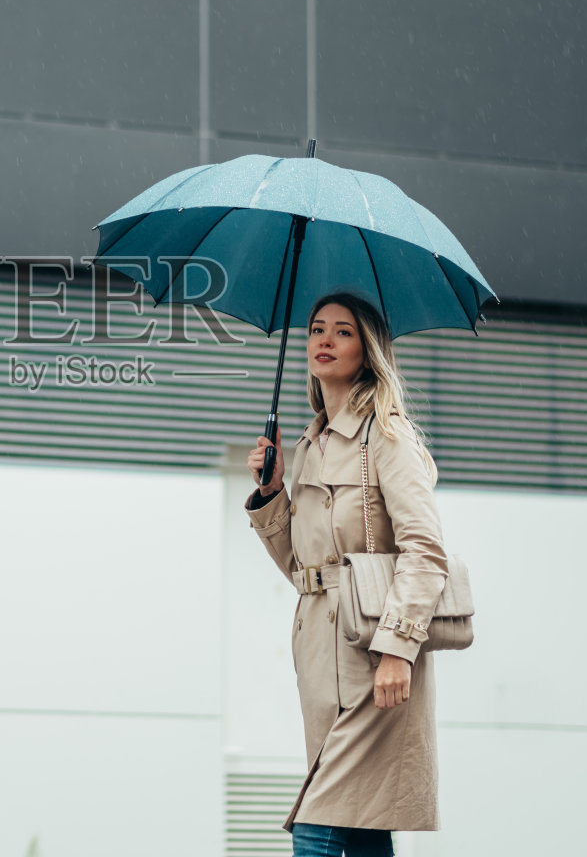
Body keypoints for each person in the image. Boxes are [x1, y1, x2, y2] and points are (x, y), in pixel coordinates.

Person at [244, 290, 450, 857]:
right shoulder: (310, 445)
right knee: (357, 830)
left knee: (320, 829)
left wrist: (397, 650)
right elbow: (302, 569)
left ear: (369, 350)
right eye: (315, 330)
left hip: (372, 662)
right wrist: (272, 492)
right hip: (320, 664)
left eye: (342, 331)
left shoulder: (387, 436)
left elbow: (426, 551)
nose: (324, 340)